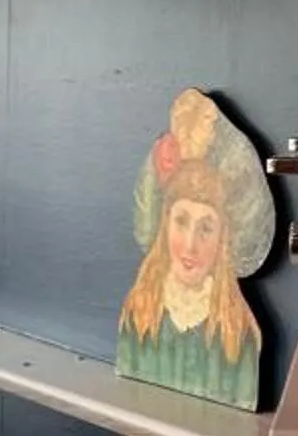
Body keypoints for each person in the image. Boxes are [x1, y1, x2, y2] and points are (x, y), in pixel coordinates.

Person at [116, 88, 273, 411]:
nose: (190, 245)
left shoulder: (236, 335)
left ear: (224, 240)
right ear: (164, 225)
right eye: (181, 221)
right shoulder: (139, 314)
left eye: (206, 228)